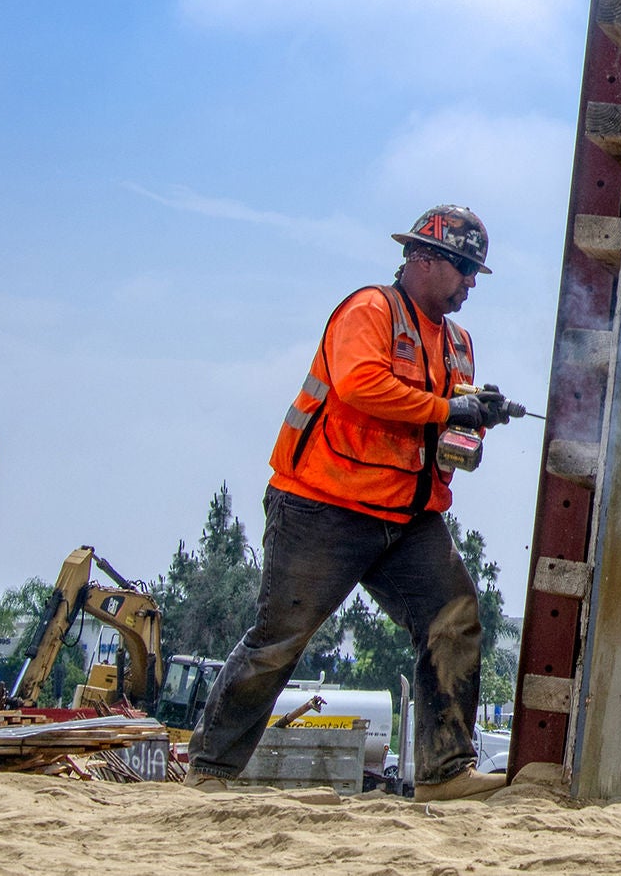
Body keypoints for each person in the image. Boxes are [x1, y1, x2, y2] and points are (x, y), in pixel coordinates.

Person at [186, 205, 512, 800]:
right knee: (279, 638)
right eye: (464, 267)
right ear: (421, 258)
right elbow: (362, 385)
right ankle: (211, 770)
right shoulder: (371, 310)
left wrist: (474, 424)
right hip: (323, 508)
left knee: (454, 618)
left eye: (474, 273)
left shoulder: (459, 344)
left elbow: (445, 421)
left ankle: (445, 773)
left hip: (407, 517)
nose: (470, 282)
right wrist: (449, 411)